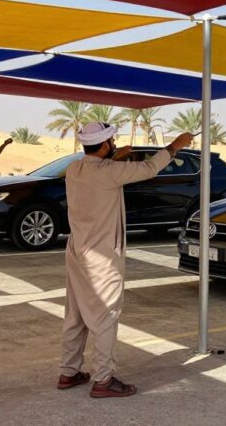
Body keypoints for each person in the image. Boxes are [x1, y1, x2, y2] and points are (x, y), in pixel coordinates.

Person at [58, 122, 194, 398]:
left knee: (76, 315)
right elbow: (148, 168)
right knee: (106, 316)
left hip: (77, 253)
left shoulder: (75, 169)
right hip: (103, 257)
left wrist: (116, 159)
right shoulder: (110, 172)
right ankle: (103, 380)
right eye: (113, 143)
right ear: (106, 144)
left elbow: (99, 172)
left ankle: (69, 372)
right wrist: (176, 145)